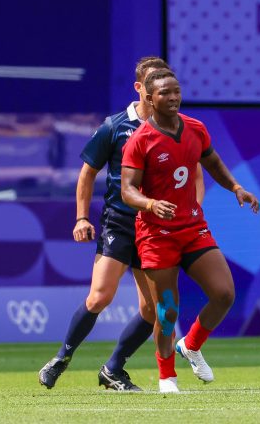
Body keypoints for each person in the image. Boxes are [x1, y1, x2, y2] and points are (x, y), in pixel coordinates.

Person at [39, 57, 203, 391]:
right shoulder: (115, 126)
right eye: (151, 85)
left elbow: (195, 171)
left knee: (153, 311)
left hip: (156, 229)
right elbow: (88, 172)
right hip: (120, 223)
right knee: (99, 297)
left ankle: (113, 368)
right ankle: (61, 358)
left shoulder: (178, 127)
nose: (158, 92)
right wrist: (81, 217)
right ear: (140, 88)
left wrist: (192, 210)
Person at [120, 69, 260, 393]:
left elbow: (212, 163)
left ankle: (192, 344)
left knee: (224, 293)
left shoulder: (195, 128)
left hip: (193, 227)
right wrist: (150, 204)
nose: (172, 97)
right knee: (167, 311)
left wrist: (236, 187)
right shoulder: (140, 140)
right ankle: (166, 376)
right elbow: (127, 190)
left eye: (176, 91)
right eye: (164, 93)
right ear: (150, 99)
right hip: (157, 235)